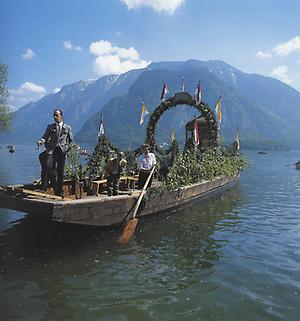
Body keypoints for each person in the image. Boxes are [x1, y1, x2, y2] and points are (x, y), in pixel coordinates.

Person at [37, 109, 73, 196]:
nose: (55, 117)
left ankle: (59, 191)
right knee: (48, 165)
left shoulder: (67, 128)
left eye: (57, 115)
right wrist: (40, 141)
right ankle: (49, 185)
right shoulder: (50, 127)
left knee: (60, 172)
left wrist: (67, 148)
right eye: (54, 115)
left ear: (61, 116)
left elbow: (71, 141)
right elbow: (44, 137)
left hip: (61, 151)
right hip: (51, 150)